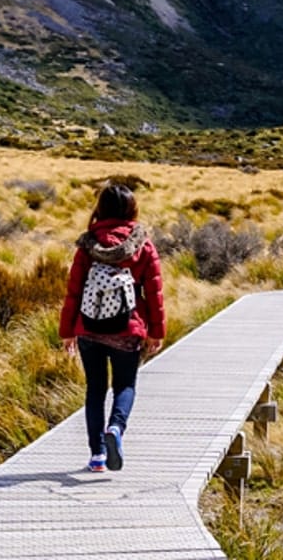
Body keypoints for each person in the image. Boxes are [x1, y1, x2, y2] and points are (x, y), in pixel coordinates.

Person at [60, 184, 165, 472]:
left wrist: (67, 330)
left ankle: (97, 457)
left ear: (101, 209)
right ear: (132, 209)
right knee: (125, 385)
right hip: (127, 330)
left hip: (88, 329)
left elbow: (74, 291)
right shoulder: (143, 245)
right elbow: (154, 293)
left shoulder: (87, 245)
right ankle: (116, 429)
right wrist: (157, 331)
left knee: (95, 390)